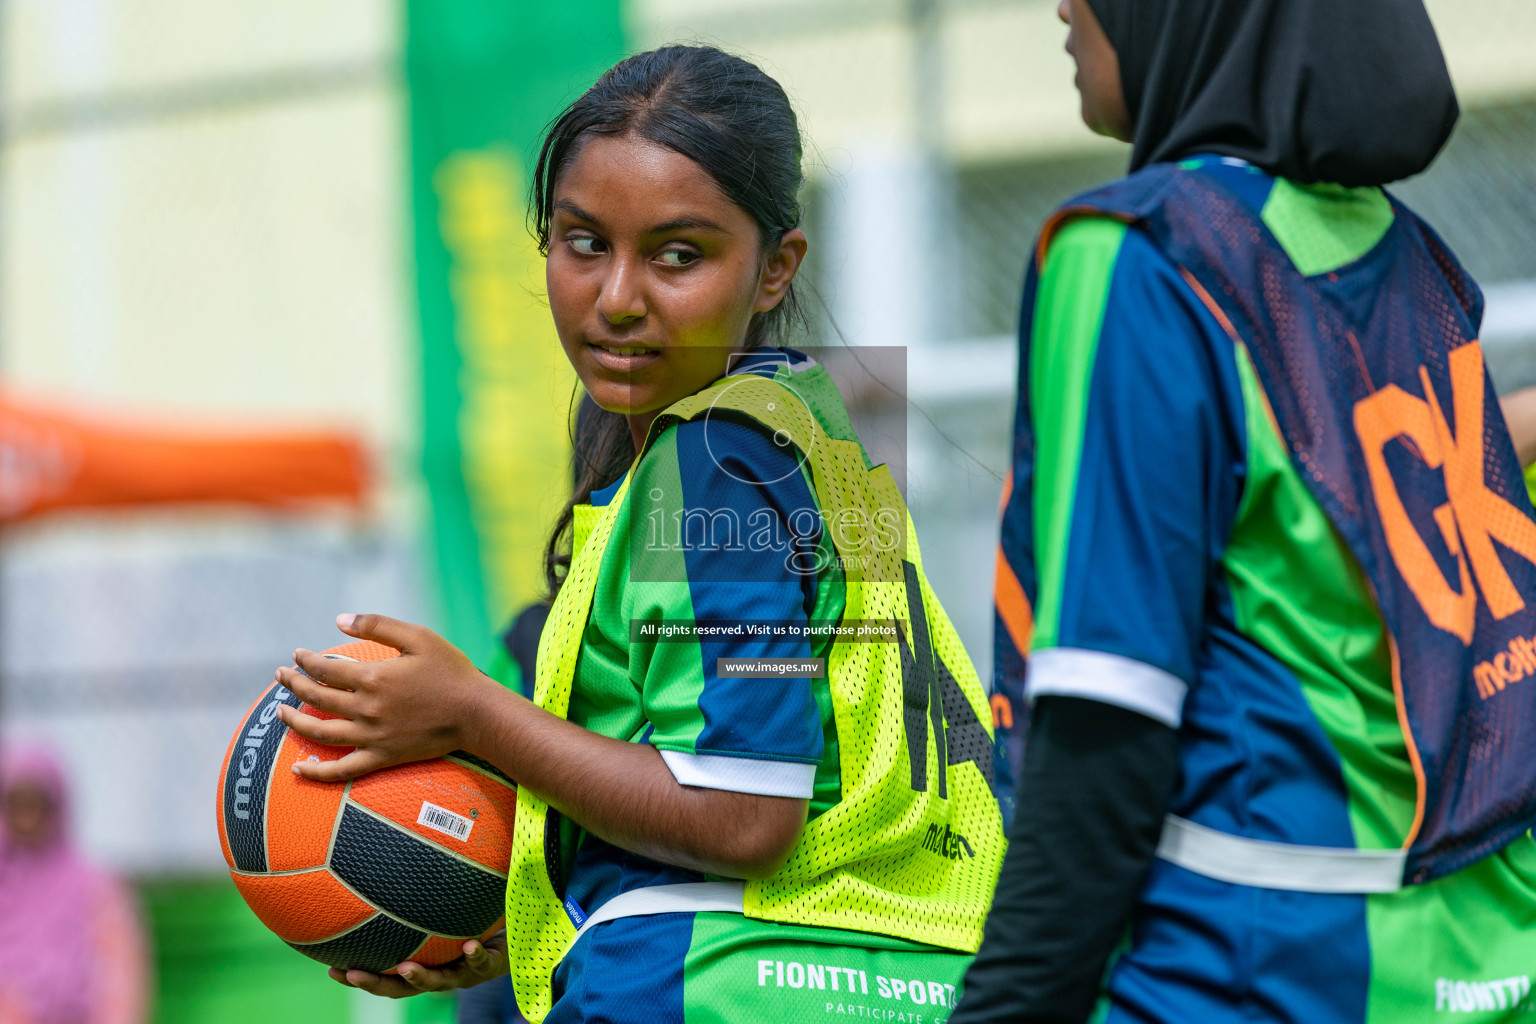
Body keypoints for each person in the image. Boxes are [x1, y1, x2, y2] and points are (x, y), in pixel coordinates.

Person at [271, 45, 1003, 1024]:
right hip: (903, 979)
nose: (618, 296)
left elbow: (745, 814)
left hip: (715, 985)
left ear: (775, 267)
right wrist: (542, 917)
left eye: (677, 255)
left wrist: (470, 714)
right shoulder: (816, 450)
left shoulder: (714, 470)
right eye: (583, 243)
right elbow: (801, 786)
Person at [958, 1, 1536, 1022]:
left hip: (1258, 965)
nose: (1060, 3)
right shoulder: (1407, 253)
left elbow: (1107, 722)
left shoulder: (1140, 257)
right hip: (1484, 949)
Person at [0, 744, 150, 1024]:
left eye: (36, 804)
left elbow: (121, 988)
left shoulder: (95, 888)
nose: (26, 817)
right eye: (16, 804)